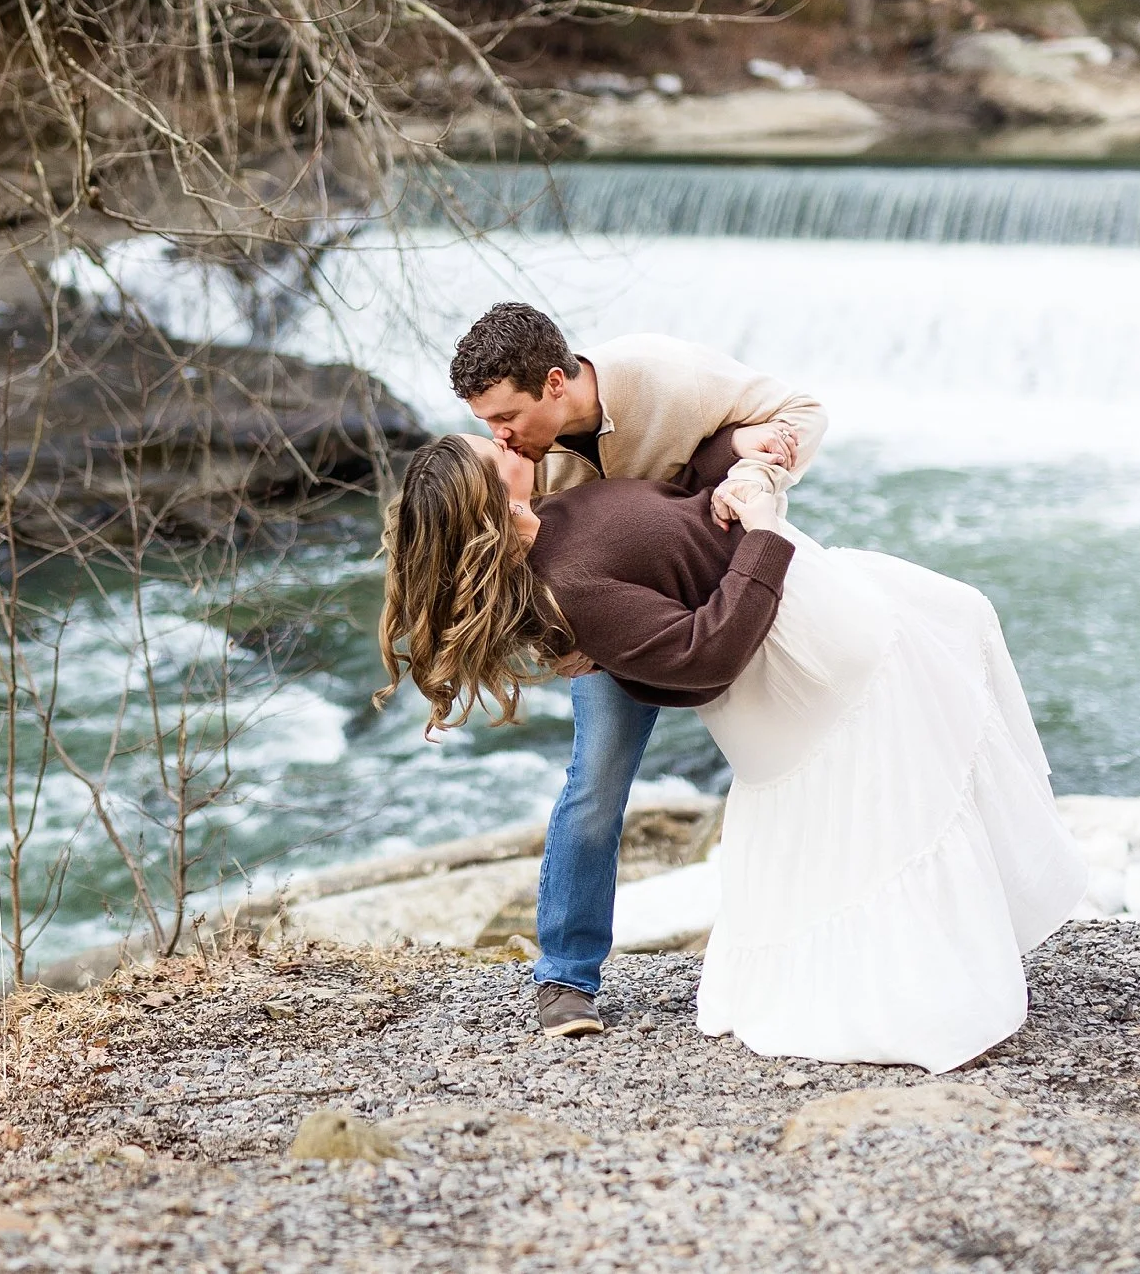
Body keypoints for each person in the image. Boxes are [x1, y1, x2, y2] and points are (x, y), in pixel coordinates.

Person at [376, 426, 1087, 1072]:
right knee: (909, 771)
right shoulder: (569, 582)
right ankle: (926, 977)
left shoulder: (557, 513)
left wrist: (737, 460)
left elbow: (675, 508)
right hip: (791, 640)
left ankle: (977, 927)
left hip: (794, 594)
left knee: (959, 627)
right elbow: (702, 656)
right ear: (490, 499)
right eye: (490, 447)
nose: (506, 440)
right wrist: (764, 531)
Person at [447, 303, 826, 1037]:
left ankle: (807, 944)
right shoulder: (514, 465)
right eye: (486, 420)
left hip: (719, 574)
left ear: (555, 383)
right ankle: (564, 977)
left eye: (507, 416)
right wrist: (556, 646)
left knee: (790, 761)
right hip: (604, 618)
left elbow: (801, 411)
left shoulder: (661, 373)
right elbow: (497, 577)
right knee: (595, 782)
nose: (497, 437)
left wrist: (745, 468)